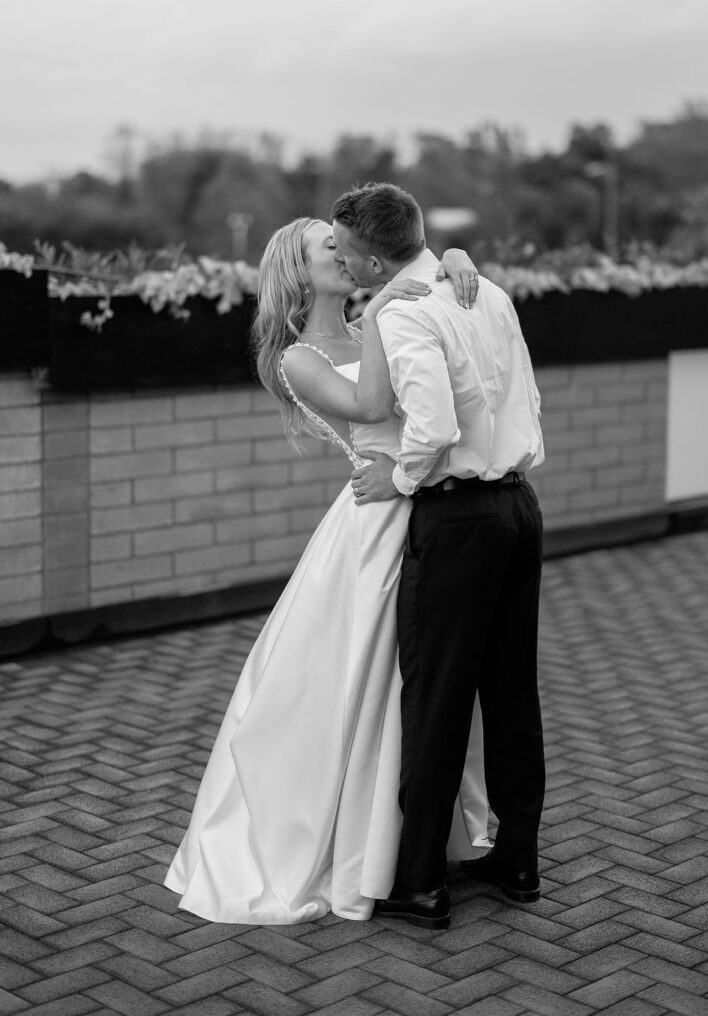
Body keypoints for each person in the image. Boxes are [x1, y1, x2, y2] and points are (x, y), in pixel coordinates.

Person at [163, 217, 491, 925]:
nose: (344, 254)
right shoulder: (295, 357)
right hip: (375, 524)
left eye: (344, 244)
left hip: (426, 501)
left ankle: (411, 839)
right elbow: (374, 407)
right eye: (328, 249)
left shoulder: (383, 312)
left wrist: (452, 257)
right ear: (300, 273)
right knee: (364, 684)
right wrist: (394, 305)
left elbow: (425, 278)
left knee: (425, 686)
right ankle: (350, 847)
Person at [330, 182, 546, 930]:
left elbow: (432, 427)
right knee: (513, 694)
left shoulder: (404, 313)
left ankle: (420, 879)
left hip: (457, 521)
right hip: (520, 507)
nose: (342, 260)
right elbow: (527, 398)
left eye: (344, 248)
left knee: (437, 699)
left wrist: (395, 476)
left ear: (370, 252)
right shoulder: (485, 292)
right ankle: (518, 859)